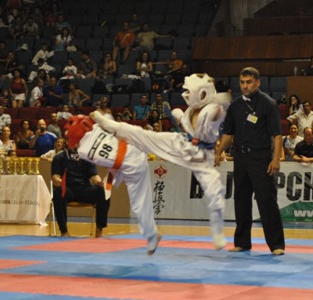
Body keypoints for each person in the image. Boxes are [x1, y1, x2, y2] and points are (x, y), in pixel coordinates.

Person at [94, 73, 228, 250]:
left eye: (190, 92)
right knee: (143, 135)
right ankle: (110, 124)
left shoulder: (212, 110)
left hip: (202, 155)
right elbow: (186, 123)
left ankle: (218, 232)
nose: (187, 95)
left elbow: (218, 110)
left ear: (203, 93)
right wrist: (180, 117)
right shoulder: (190, 110)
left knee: (214, 190)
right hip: (182, 143)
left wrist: (218, 102)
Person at [64, 114, 162, 253]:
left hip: (130, 161)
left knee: (139, 201)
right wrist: (99, 117)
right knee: (139, 200)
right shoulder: (93, 134)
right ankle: (151, 234)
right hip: (130, 154)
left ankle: (152, 234)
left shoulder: (84, 150)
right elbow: (107, 123)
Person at [213, 67, 284, 255]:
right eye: (242, 82)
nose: (245, 86)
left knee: (266, 201)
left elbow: (277, 135)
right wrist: (219, 152)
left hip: (261, 158)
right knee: (241, 200)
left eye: (249, 82)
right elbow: (228, 134)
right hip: (240, 158)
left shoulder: (268, 104)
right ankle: (242, 242)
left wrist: (276, 159)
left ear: (257, 82)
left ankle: (276, 245)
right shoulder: (235, 106)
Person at [51, 136, 110, 239]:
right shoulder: (59, 158)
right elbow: (55, 177)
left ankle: (99, 230)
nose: (77, 143)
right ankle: (64, 231)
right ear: (67, 141)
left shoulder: (87, 158)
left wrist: (99, 182)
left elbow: (94, 176)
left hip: (84, 189)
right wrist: (59, 181)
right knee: (58, 192)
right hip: (67, 189)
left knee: (104, 192)